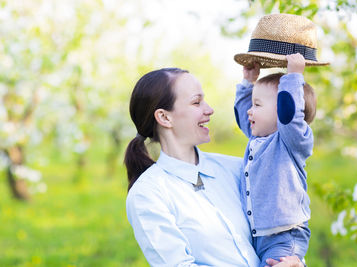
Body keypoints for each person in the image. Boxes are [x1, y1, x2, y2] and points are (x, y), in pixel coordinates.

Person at [124, 67, 305, 267]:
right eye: (196, 102)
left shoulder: (237, 169)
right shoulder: (147, 194)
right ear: (165, 117)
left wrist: (294, 263)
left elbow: (278, 233)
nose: (209, 109)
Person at [234, 53, 315, 266]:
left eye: (258, 105)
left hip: (285, 236)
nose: (250, 111)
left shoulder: (291, 140)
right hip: (259, 238)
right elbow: (243, 114)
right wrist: (249, 81)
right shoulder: (258, 138)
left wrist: (294, 76)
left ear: (280, 111)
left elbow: (290, 116)